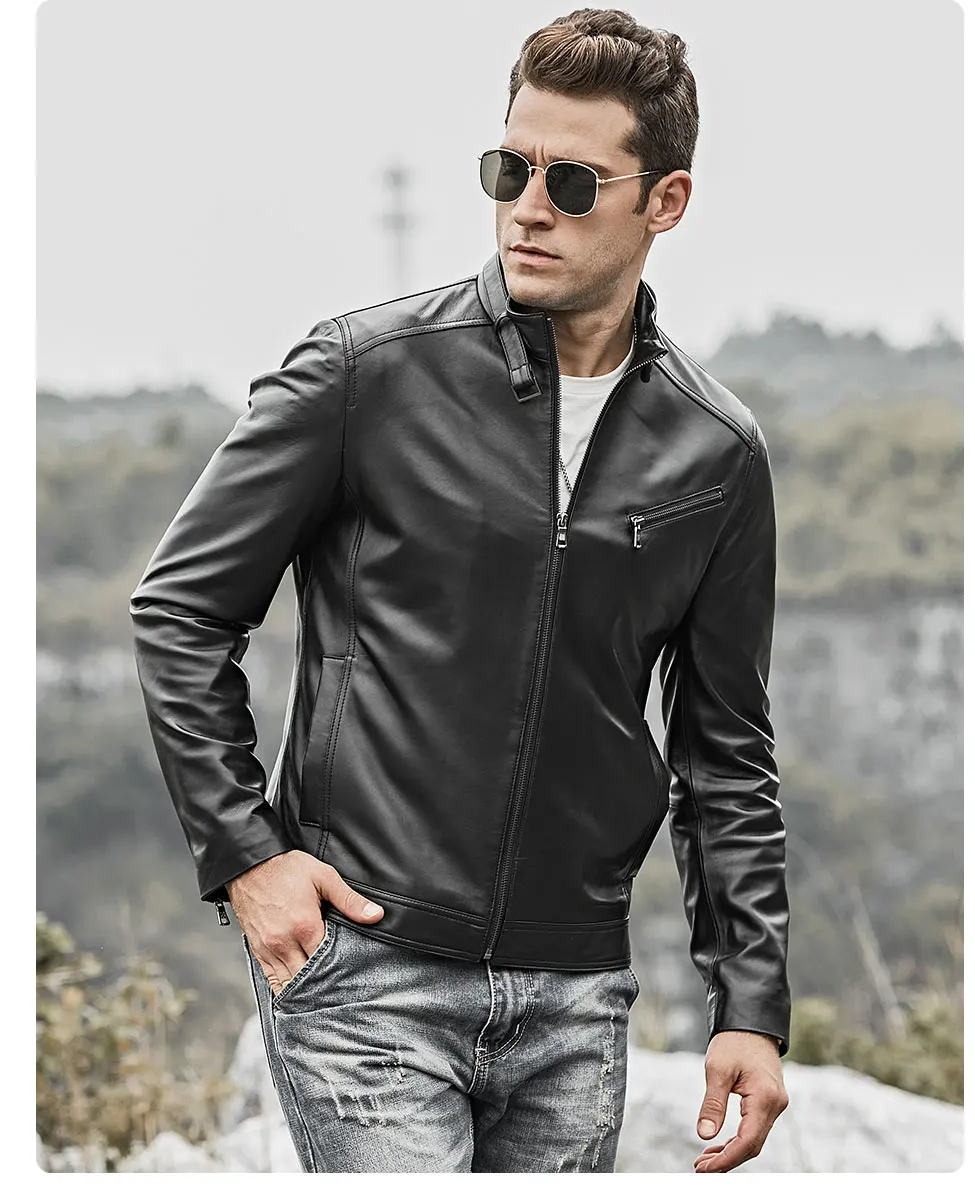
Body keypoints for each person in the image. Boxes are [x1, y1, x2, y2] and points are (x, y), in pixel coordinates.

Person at [129, 6, 791, 1174]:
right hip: (366, 966)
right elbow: (181, 610)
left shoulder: (715, 452)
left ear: (665, 201)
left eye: (572, 182)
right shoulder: (362, 373)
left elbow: (724, 752)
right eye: (509, 169)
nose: (528, 207)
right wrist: (247, 855)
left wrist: (749, 1005)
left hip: (577, 996)